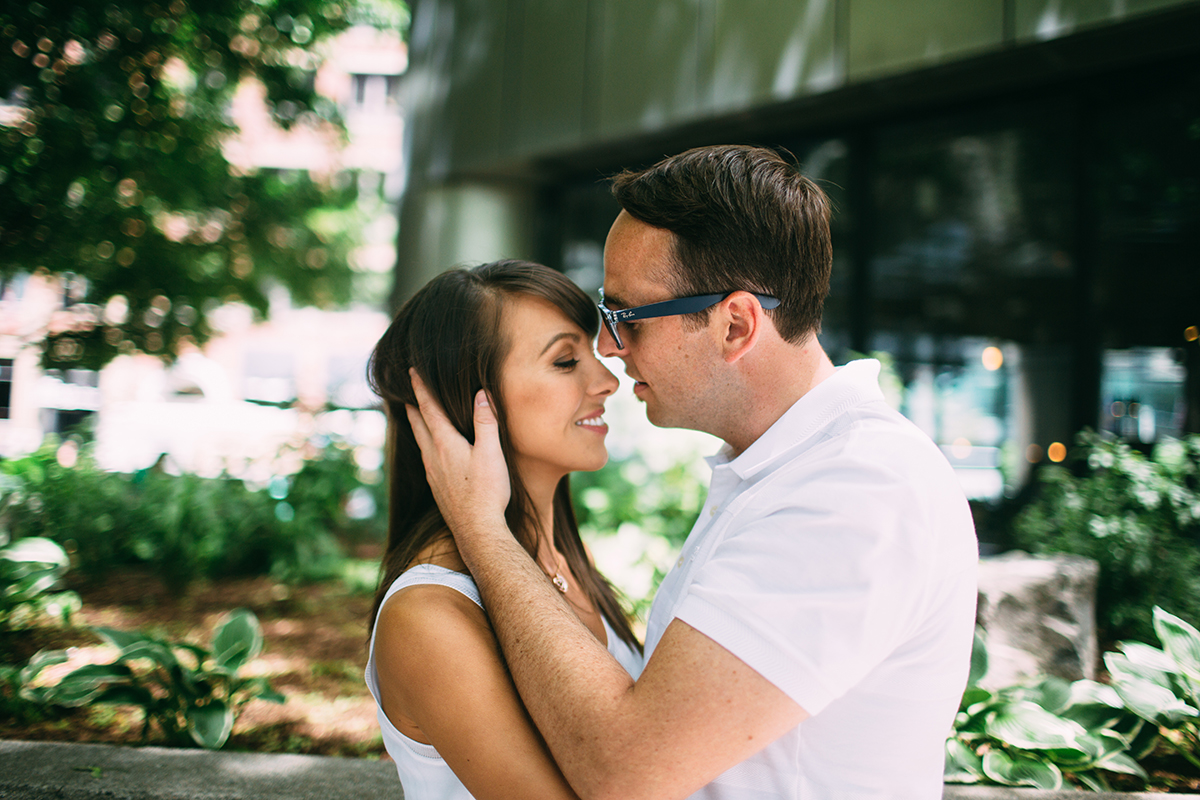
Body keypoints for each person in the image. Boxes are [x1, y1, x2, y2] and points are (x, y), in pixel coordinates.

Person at [406, 145, 980, 800]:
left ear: (735, 324)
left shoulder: (853, 491)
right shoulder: (779, 470)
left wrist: (482, 529)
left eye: (626, 317)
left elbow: (626, 772)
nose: (610, 350)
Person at [364, 260, 644, 800]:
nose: (608, 381)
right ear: (466, 400)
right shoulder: (429, 615)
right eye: (565, 361)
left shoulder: (558, 560)